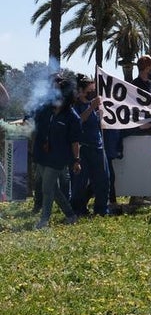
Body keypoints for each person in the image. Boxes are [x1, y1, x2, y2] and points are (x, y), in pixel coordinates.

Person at [31, 77, 82, 229]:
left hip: (58, 158)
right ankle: (71, 215)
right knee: (53, 188)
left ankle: (44, 221)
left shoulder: (72, 117)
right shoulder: (46, 109)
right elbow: (33, 120)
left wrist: (76, 160)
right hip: (41, 155)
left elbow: (75, 141)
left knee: (47, 188)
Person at [70, 75, 111, 217]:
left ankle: (101, 210)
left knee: (103, 180)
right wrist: (91, 108)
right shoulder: (74, 106)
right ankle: (78, 210)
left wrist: (99, 114)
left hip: (98, 147)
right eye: (89, 90)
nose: (92, 93)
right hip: (83, 148)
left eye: (94, 90)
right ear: (80, 91)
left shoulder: (94, 106)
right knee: (80, 183)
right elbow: (78, 122)